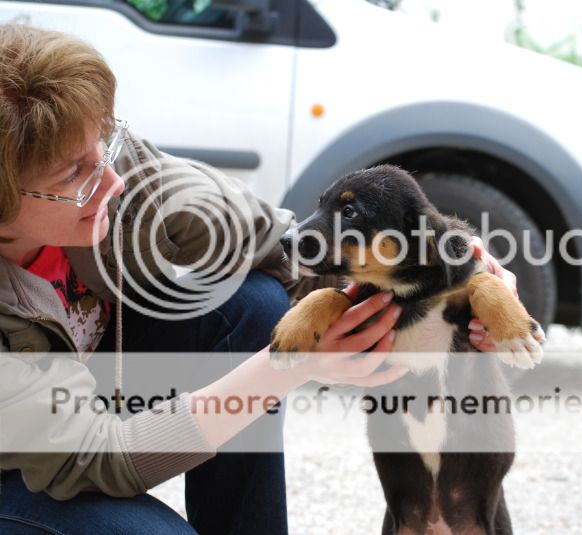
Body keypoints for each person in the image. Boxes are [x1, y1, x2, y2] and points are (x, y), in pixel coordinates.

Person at [0, 22, 512, 535]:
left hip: (89, 393)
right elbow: (89, 458)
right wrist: (282, 369)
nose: (112, 181)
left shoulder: (125, 174)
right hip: (30, 463)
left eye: (102, 147)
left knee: (253, 304)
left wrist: (464, 272)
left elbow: (280, 245)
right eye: (73, 174)